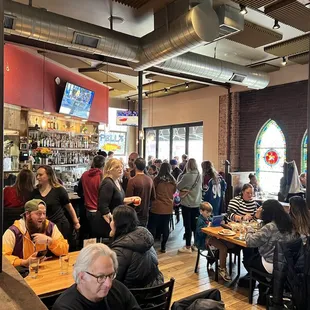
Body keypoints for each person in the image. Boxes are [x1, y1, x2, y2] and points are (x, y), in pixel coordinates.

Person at [53, 243, 141, 310]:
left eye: (110, 275)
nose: (108, 284)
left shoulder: (118, 289)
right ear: (82, 277)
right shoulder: (65, 307)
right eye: (101, 277)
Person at [245, 199, 298, 305]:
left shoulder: (270, 227)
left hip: (272, 264)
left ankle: (265, 284)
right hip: (288, 263)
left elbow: (250, 242)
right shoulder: (289, 222)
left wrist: (249, 229)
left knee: (248, 261)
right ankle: (265, 288)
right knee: (255, 257)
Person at [110, 206, 164, 288]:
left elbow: (113, 283)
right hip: (157, 288)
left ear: (118, 224)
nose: (110, 223)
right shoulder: (143, 236)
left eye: (112, 220)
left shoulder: (121, 251)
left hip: (138, 296)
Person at [3, 199, 69, 267]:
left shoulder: (50, 227)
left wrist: (50, 241)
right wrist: (24, 262)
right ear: (27, 214)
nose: (43, 217)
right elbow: (3, 258)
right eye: (39, 213)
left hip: (44, 269)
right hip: (21, 273)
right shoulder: (14, 232)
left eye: (44, 213)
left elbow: (65, 250)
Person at [94, 159, 141, 238]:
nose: (120, 169)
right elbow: (103, 207)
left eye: (121, 167)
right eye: (117, 167)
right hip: (107, 224)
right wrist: (113, 225)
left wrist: (132, 199)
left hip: (116, 221)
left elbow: (119, 200)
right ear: (109, 169)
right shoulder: (108, 183)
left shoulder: (116, 181)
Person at [32, 165, 80, 241]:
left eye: (40, 175)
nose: (37, 177)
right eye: (37, 175)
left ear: (49, 176)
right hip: (42, 227)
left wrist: (76, 222)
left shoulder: (59, 190)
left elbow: (69, 207)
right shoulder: (35, 192)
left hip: (59, 226)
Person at [195, 202, 234, 281]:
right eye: (207, 212)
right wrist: (208, 227)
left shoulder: (209, 218)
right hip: (204, 240)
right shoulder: (200, 220)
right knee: (223, 247)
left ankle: (220, 261)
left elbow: (215, 225)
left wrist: (223, 224)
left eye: (210, 212)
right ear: (201, 211)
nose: (209, 214)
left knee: (228, 244)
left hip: (212, 237)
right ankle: (222, 268)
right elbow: (200, 233)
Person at [148, 163, 177, 253]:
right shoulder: (173, 180)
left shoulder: (156, 179)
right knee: (165, 227)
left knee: (152, 226)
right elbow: (174, 192)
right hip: (168, 207)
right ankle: (163, 246)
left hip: (156, 206)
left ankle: (151, 246)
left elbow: (152, 192)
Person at [177, 158, 202, 253]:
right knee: (195, 225)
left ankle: (187, 246)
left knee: (187, 225)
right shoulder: (200, 175)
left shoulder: (187, 176)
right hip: (197, 203)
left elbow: (178, 186)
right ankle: (196, 245)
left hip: (187, 203)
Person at [77, 155, 105, 238]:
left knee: (88, 236)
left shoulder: (85, 174)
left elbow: (79, 191)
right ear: (104, 165)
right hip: (99, 210)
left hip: (87, 210)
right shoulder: (102, 177)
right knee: (98, 237)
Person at [126, 158, 156, 227]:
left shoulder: (132, 181)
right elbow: (153, 197)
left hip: (133, 213)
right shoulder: (150, 180)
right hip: (145, 212)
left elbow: (128, 199)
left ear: (135, 166)